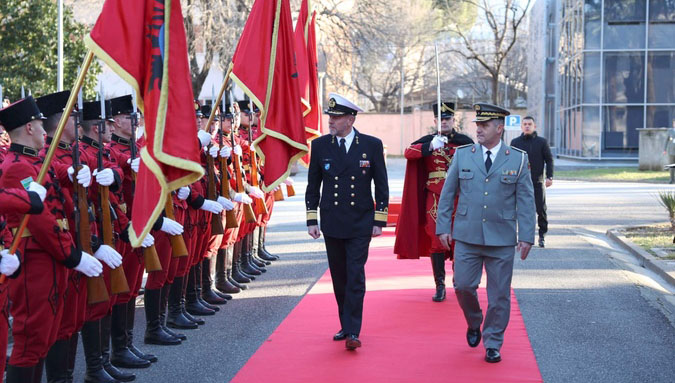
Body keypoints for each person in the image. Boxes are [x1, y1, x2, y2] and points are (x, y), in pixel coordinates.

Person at [0, 96, 103, 382]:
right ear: (29, 128)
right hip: (35, 262)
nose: (46, 130)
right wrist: (72, 255)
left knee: (46, 337)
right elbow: (41, 221)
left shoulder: (36, 160)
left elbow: (58, 177)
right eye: (39, 124)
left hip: (51, 258)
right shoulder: (18, 166)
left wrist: (73, 173)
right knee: (31, 342)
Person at [436, 103, 535, 364]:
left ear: (499, 128)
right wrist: (443, 227)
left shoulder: (518, 158)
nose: (478, 129)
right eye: (477, 124)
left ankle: (493, 342)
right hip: (467, 236)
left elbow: (526, 200)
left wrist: (527, 235)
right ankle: (474, 321)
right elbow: (447, 195)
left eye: (484, 125)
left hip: (501, 238)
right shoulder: (462, 155)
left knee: (499, 295)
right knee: (463, 286)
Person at [306, 93, 389, 350]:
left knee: (355, 276)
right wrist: (312, 219)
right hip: (332, 221)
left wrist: (379, 220)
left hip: (360, 221)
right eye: (330, 116)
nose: (331, 121)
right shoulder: (320, 146)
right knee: (339, 277)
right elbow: (313, 186)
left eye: (337, 117)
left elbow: (382, 185)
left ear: (350, 119)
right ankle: (345, 323)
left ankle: (353, 330)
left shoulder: (371, 145)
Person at [394, 101, 473, 302]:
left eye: (447, 119)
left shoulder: (464, 142)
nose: (444, 122)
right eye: (441, 119)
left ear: (453, 120)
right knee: (436, 239)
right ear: (436, 120)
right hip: (435, 197)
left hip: (459, 196)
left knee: (459, 238)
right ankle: (440, 285)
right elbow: (408, 153)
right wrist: (430, 147)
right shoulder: (428, 140)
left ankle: (458, 280)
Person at [510, 116, 553, 248]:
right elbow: (510, 161)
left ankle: (542, 236)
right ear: (521, 127)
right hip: (519, 182)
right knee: (517, 210)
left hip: (537, 181)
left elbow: (549, 160)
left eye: (530, 124)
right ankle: (519, 236)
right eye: (525, 124)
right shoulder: (515, 142)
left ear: (534, 126)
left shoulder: (542, 142)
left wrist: (549, 177)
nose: (527, 126)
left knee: (540, 210)